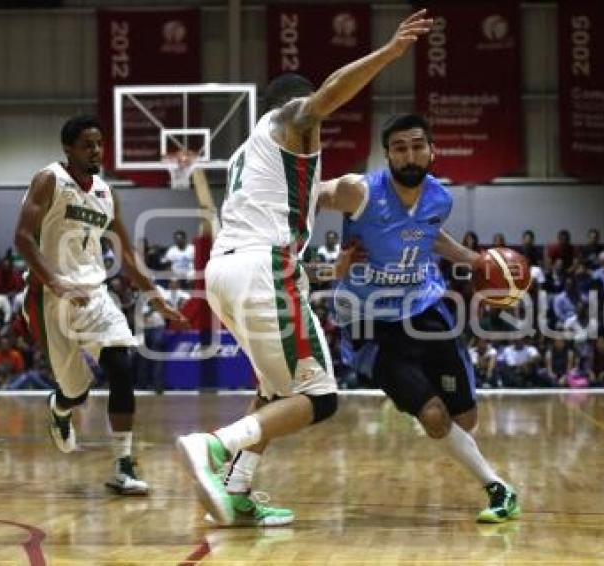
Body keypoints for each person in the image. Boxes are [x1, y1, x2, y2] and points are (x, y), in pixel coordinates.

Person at [175, 10, 434, 528]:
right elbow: (322, 101)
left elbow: (302, 202)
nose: (317, 123)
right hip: (261, 268)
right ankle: (213, 446)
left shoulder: (250, 157)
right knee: (319, 398)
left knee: (276, 389)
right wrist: (388, 53)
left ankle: (238, 489)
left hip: (227, 272)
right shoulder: (286, 120)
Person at [317, 113, 521, 523]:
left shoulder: (439, 199)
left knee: (465, 418)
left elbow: (428, 234)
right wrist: (323, 263)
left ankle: (433, 417)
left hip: (426, 310)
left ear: (432, 150)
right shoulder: (360, 191)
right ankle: (498, 487)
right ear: (387, 155)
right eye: (399, 148)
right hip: (370, 322)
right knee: (433, 416)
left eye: (416, 146)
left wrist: (471, 259)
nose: (408, 155)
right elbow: (310, 194)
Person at [14, 115, 188, 496]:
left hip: (93, 293)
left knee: (121, 366)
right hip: (47, 295)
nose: (96, 151)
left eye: (99, 144)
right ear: (69, 149)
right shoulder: (49, 180)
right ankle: (61, 408)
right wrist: (55, 281)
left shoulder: (107, 193)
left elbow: (126, 251)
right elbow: (23, 238)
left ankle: (123, 465)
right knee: (76, 392)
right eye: (87, 145)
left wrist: (155, 295)